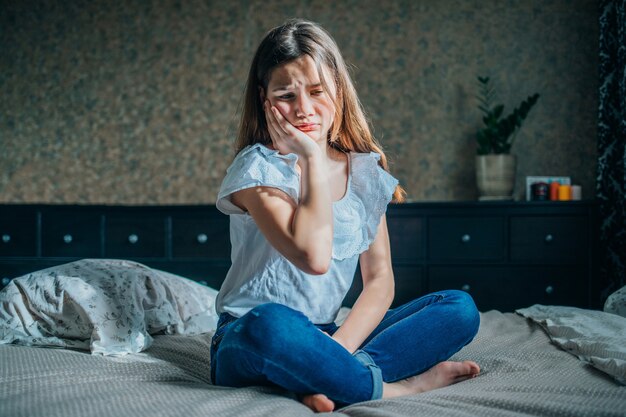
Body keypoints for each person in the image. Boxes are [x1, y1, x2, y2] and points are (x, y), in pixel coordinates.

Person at [212, 18, 480, 412]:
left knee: (458, 309)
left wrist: (334, 353)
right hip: (251, 333)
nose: (304, 109)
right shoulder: (256, 170)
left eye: (317, 91)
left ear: (338, 87)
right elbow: (314, 257)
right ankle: (395, 389)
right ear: (264, 98)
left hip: (328, 336)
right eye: (286, 95)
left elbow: (379, 281)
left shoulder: (365, 174)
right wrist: (311, 158)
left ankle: (327, 379)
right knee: (267, 325)